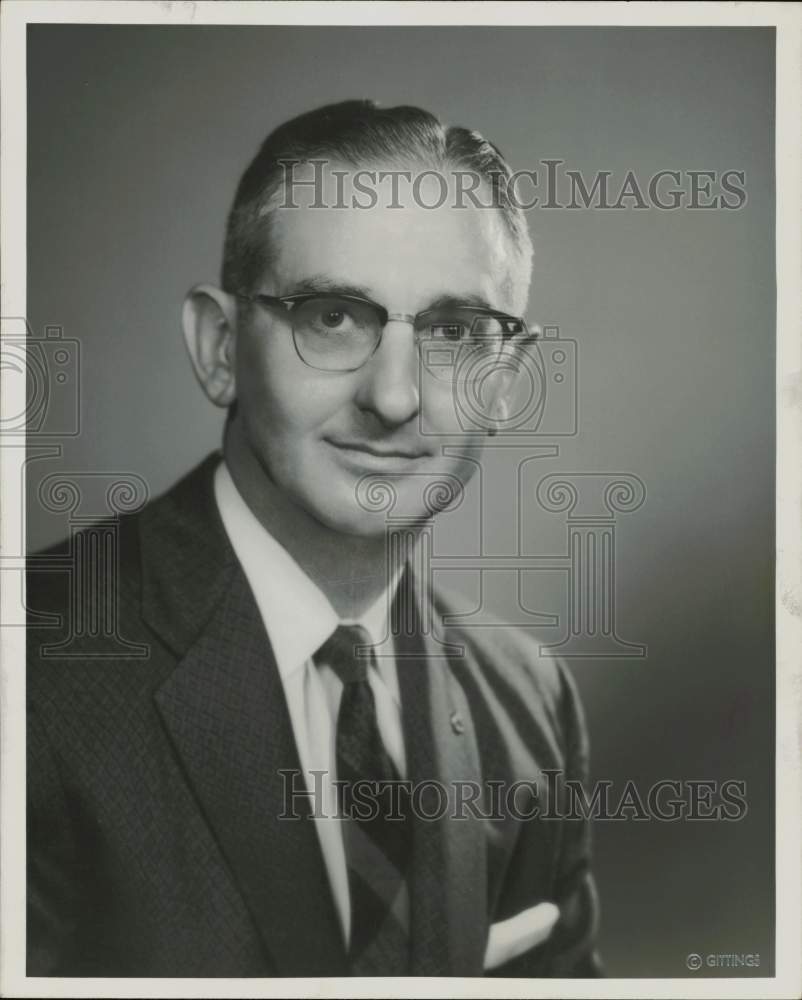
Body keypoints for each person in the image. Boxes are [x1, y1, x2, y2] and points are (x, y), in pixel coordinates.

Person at [26, 100, 602, 978]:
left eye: (453, 332)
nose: (396, 397)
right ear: (220, 347)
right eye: (333, 316)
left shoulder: (530, 706)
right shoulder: (30, 674)